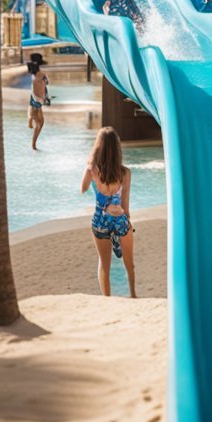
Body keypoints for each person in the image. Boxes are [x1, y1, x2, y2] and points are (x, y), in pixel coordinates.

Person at [81, 126, 136, 298]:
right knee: (129, 262)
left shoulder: (92, 169)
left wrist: (91, 168)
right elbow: (125, 205)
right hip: (119, 218)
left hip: (100, 219)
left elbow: (82, 188)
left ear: (99, 146)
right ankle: (133, 294)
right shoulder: (125, 173)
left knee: (104, 264)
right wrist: (127, 222)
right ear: (117, 148)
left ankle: (107, 299)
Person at [27, 52, 50, 151]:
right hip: (37, 101)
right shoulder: (41, 75)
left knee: (40, 122)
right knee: (40, 123)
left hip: (36, 100)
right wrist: (43, 99)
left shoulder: (35, 76)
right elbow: (46, 84)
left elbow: (40, 88)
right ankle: (33, 145)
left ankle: (30, 119)